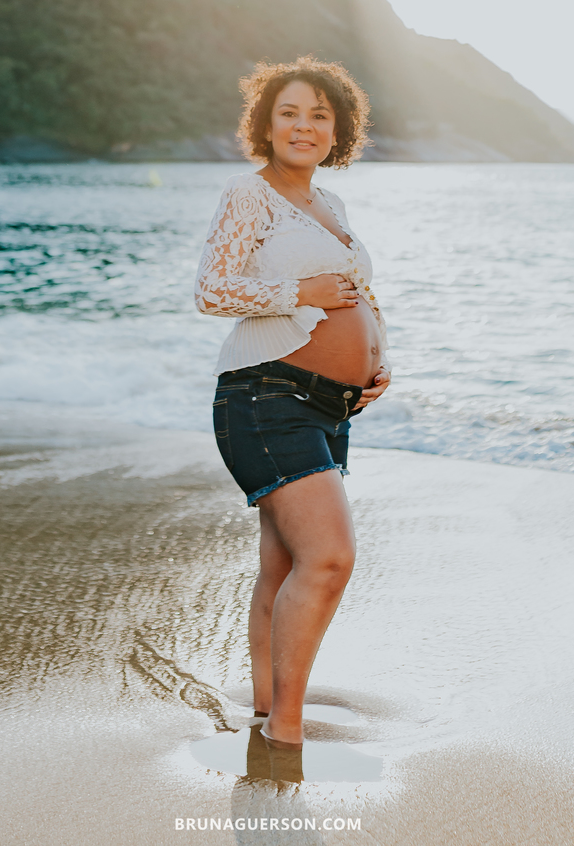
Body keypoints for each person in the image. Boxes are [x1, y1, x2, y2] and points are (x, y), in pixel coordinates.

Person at [194, 56, 391, 751]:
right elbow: (212, 289)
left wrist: (378, 360)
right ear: (266, 124)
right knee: (330, 558)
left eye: (319, 115)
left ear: (337, 130)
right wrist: (298, 296)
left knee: (282, 565)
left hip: (327, 407)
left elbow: (361, 295)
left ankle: (265, 709)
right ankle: (286, 730)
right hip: (264, 396)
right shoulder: (251, 196)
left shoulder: (329, 207)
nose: (304, 126)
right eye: (289, 112)